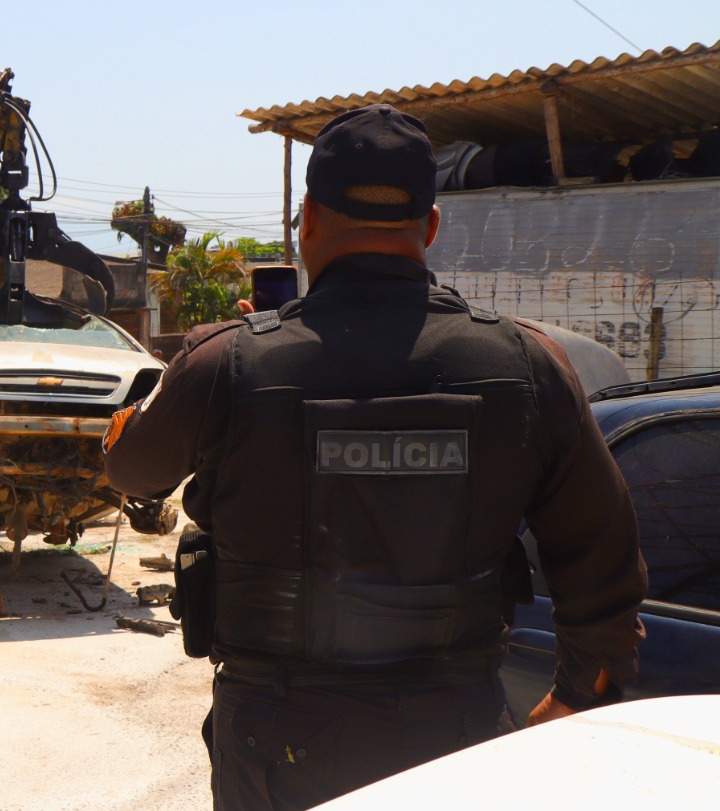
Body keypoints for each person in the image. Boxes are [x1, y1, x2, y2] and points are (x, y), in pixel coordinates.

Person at [103, 104, 646, 810]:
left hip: (276, 741)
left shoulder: (224, 363)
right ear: (429, 226)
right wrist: (580, 697)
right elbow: (603, 563)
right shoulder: (528, 367)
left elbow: (129, 470)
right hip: (458, 739)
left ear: (306, 221)